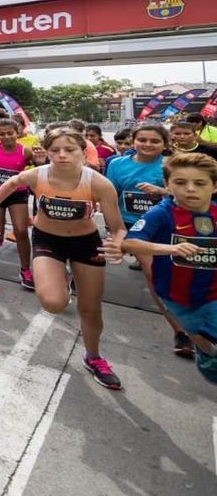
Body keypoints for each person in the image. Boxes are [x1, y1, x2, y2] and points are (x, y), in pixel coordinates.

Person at [0, 126, 127, 390]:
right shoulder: (37, 175)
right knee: (53, 302)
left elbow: (117, 227)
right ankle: (61, 275)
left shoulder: (98, 183)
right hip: (48, 240)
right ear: (46, 151)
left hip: (86, 244)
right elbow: (11, 183)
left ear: (82, 152)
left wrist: (117, 242)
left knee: (90, 308)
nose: (62, 155)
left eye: (70, 150)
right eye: (55, 150)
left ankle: (93, 356)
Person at [110, 152, 217, 384]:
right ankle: (206, 355)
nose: (190, 189)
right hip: (176, 297)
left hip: (213, 295)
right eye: (180, 182)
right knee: (199, 337)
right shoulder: (161, 213)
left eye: (199, 183)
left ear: (214, 186)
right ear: (167, 185)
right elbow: (129, 243)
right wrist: (171, 249)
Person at [105, 122, 192, 355]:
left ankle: (189, 324)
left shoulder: (171, 165)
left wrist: (164, 192)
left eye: (154, 141)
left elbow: (191, 196)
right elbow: (110, 197)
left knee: (175, 274)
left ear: (165, 144)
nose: (147, 144)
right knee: (154, 274)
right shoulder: (116, 164)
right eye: (142, 139)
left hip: (166, 224)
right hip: (133, 226)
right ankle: (181, 332)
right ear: (134, 141)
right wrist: (116, 228)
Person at [0, 118, 36, 288]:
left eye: (10, 133)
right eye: (2, 134)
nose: (6, 137)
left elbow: (40, 167)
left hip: (17, 194)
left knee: (20, 231)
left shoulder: (25, 152)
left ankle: (25, 270)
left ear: (17, 132)